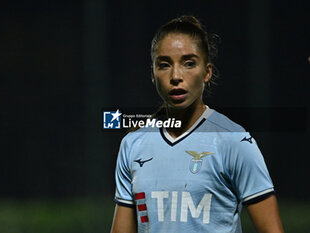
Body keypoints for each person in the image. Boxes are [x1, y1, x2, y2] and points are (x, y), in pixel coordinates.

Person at [110, 15, 284, 233]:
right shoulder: (133, 145)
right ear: (153, 75)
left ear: (207, 72)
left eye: (189, 63)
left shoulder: (234, 140)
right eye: (164, 65)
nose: (175, 75)